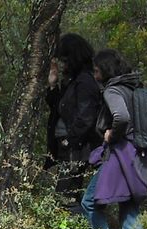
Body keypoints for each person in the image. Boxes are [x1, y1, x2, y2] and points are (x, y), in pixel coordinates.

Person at [82, 48, 147, 229]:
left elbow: (121, 116)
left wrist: (111, 134)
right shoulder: (133, 87)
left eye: (96, 71)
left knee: (90, 202)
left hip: (120, 155)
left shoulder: (112, 91)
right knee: (130, 207)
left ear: (105, 70)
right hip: (138, 155)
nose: (95, 75)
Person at [45, 33, 101, 213]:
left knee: (67, 197)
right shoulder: (72, 81)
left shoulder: (85, 81)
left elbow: (86, 117)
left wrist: (70, 140)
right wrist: (53, 85)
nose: (62, 64)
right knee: (65, 194)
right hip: (67, 147)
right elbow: (58, 108)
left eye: (64, 60)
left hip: (76, 149)